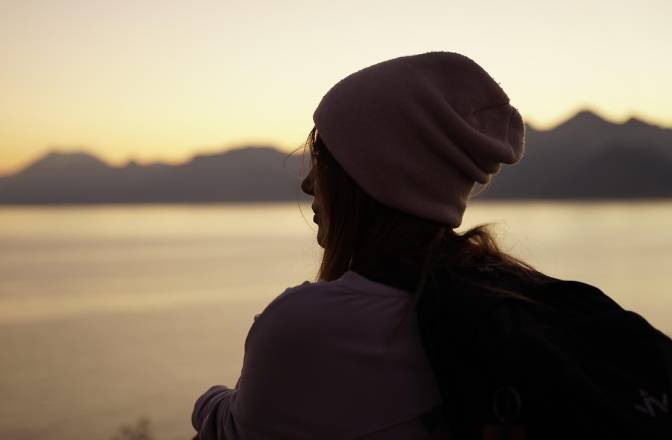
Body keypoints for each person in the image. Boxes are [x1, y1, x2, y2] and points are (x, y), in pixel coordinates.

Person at [190, 51, 570, 438]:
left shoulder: (307, 328)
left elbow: (232, 429)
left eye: (322, 157)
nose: (308, 184)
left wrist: (205, 403)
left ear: (367, 176)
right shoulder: (517, 298)